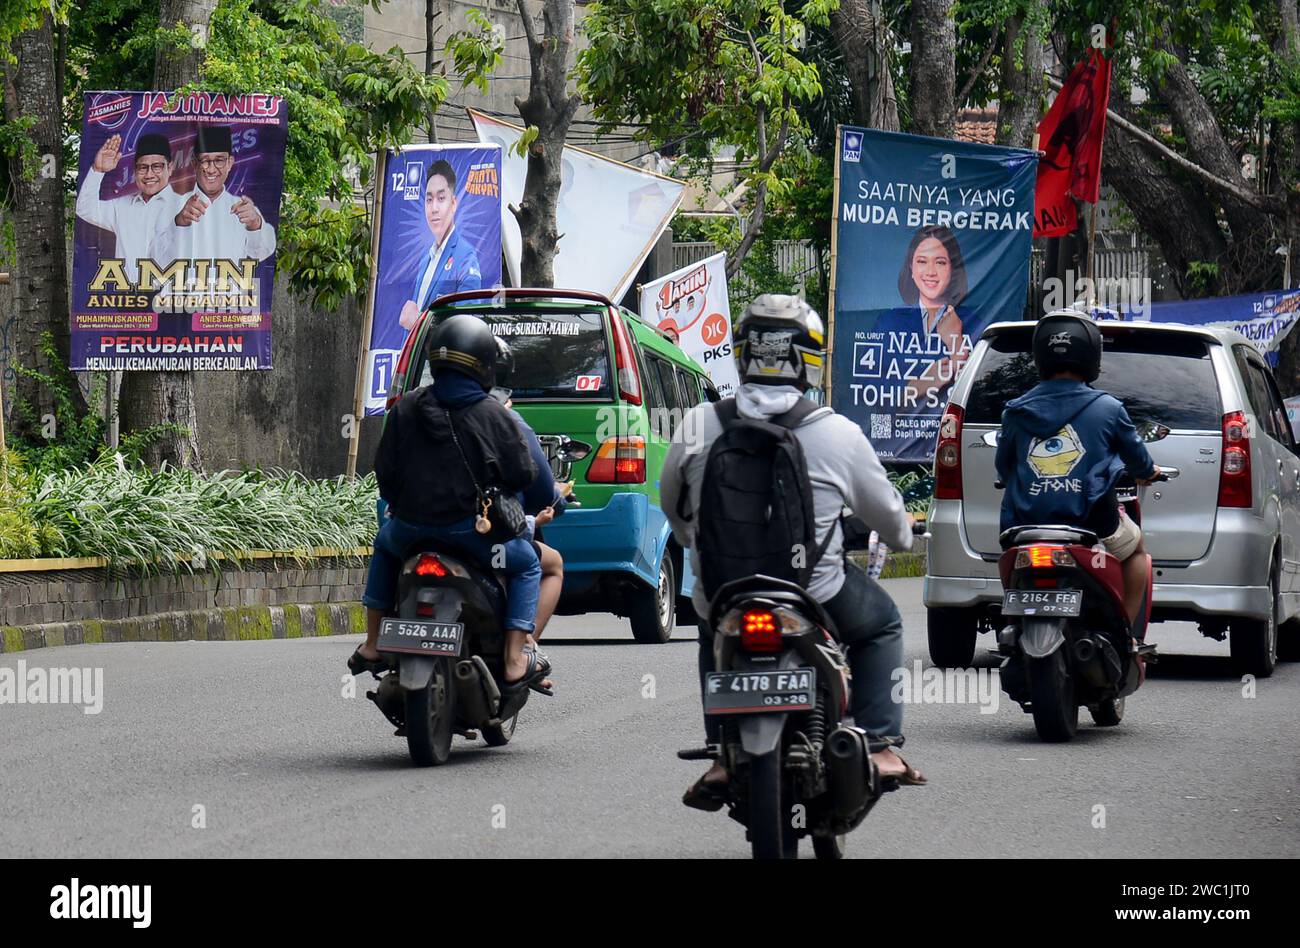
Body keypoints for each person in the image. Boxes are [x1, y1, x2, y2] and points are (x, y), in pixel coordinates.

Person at [661, 293, 926, 811]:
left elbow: (673, 506)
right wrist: (904, 538)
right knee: (883, 625)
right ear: (809, 358)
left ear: (742, 354)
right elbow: (892, 525)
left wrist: (702, 549)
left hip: (724, 595)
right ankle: (879, 744)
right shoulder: (838, 433)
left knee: (711, 632)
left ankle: (721, 752)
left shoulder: (697, 422)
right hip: (815, 593)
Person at [349, 315, 550, 696]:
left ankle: (374, 641)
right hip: (472, 535)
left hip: (409, 531)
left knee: (384, 546)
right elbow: (525, 476)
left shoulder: (405, 408)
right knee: (527, 564)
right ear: (483, 363)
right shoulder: (494, 414)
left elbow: (385, 473)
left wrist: (402, 506)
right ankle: (513, 659)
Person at [996, 310, 1161, 632]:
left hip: (1025, 520)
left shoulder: (1014, 412)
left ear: (1039, 355)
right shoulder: (1109, 409)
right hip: (1091, 519)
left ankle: (1017, 620)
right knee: (1137, 553)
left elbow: (1004, 467)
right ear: (1091, 355)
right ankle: (1124, 637)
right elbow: (1139, 460)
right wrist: (1148, 471)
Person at [151, 124, 276, 267]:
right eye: (205, 161)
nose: (211, 169)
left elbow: (261, 253)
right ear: (194, 164)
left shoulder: (242, 208)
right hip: (183, 289)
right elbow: (155, 262)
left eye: (219, 160)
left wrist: (255, 223)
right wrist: (179, 222)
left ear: (230, 163)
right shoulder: (171, 205)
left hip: (226, 289)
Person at [74, 131, 182, 283]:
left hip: (172, 299)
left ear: (169, 168)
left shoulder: (185, 206)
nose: (149, 174)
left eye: (156, 167)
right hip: (129, 298)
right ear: (135, 171)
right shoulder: (122, 206)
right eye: (143, 168)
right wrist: (98, 171)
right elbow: (85, 209)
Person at [398, 159, 483, 330]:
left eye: (441, 198)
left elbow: (467, 324)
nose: (434, 208)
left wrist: (417, 321)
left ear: (453, 203)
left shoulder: (466, 257)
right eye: (429, 200)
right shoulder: (426, 259)